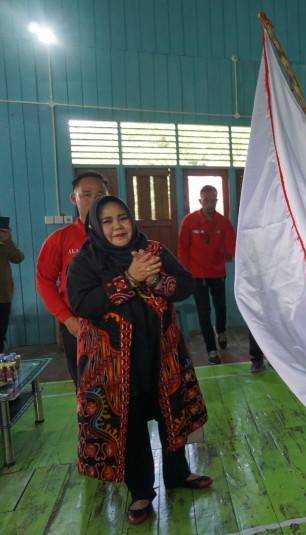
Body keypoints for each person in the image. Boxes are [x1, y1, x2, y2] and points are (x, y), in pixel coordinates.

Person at [67, 195, 211, 525]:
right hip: (114, 369)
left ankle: (178, 474)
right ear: (95, 227)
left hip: (161, 358)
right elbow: (83, 305)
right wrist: (130, 279)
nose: (117, 226)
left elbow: (186, 284)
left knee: (170, 415)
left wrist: (157, 280)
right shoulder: (87, 261)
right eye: (107, 221)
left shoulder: (154, 251)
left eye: (123, 218)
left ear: (132, 220)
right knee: (128, 426)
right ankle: (141, 492)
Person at [36, 171, 108, 387]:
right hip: (78, 324)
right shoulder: (59, 239)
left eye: (100, 195)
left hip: (118, 321)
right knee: (87, 389)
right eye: (86, 194)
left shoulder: (118, 235)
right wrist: (67, 320)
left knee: (123, 388)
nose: (94, 200)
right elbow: (44, 281)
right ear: (73, 198)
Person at [178, 185, 236, 364]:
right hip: (196, 275)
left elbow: (232, 245)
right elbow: (182, 247)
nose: (210, 204)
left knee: (221, 307)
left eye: (213, 200)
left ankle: (221, 330)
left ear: (217, 201)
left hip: (217, 273)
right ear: (200, 201)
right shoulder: (189, 220)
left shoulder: (223, 222)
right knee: (204, 311)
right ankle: (211, 349)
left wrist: (243, 262)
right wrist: (185, 271)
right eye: (206, 200)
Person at [0, 223, 25, 353]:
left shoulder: (3, 242)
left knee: (0, 336)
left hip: (3, 295)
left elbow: (18, 258)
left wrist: (7, 240)